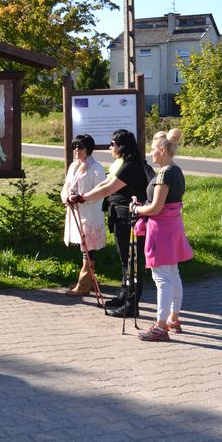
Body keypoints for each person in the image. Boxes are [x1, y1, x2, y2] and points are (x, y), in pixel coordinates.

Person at [78, 129, 151, 316]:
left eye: (113, 143)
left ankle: (131, 305)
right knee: (124, 258)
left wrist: (83, 198)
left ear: (121, 146)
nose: (110, 147)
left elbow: (107, 189)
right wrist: (82, 196)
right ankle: (123, 295)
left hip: (129, 220)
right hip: (121, 217)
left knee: (131, 261)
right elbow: (104, 184)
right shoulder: (123, 164)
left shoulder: (130, 166)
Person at [130, 128, 194, 342]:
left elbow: (156, 207)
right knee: (172, 273)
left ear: (163, 150)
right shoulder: (177, 170)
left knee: (161, 278)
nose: (150, 154)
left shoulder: (165, 173)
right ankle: (173, 318)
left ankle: (160, 325)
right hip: (173, 225)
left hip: (162, 228)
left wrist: (136, 209)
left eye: (153, 150)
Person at [61, 134, 107, 296]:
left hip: (90, 213)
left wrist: (82, 199)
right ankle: (88, 280)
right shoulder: (73, 166)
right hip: (75, 212)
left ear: (88, 149)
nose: (76, 150)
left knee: (89, 246)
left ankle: (84, 283)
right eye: (74, 147)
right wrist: (66, 197)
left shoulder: (97, 168)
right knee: (83, 245)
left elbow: (100, 192)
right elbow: (66, 185)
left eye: (80, 147)